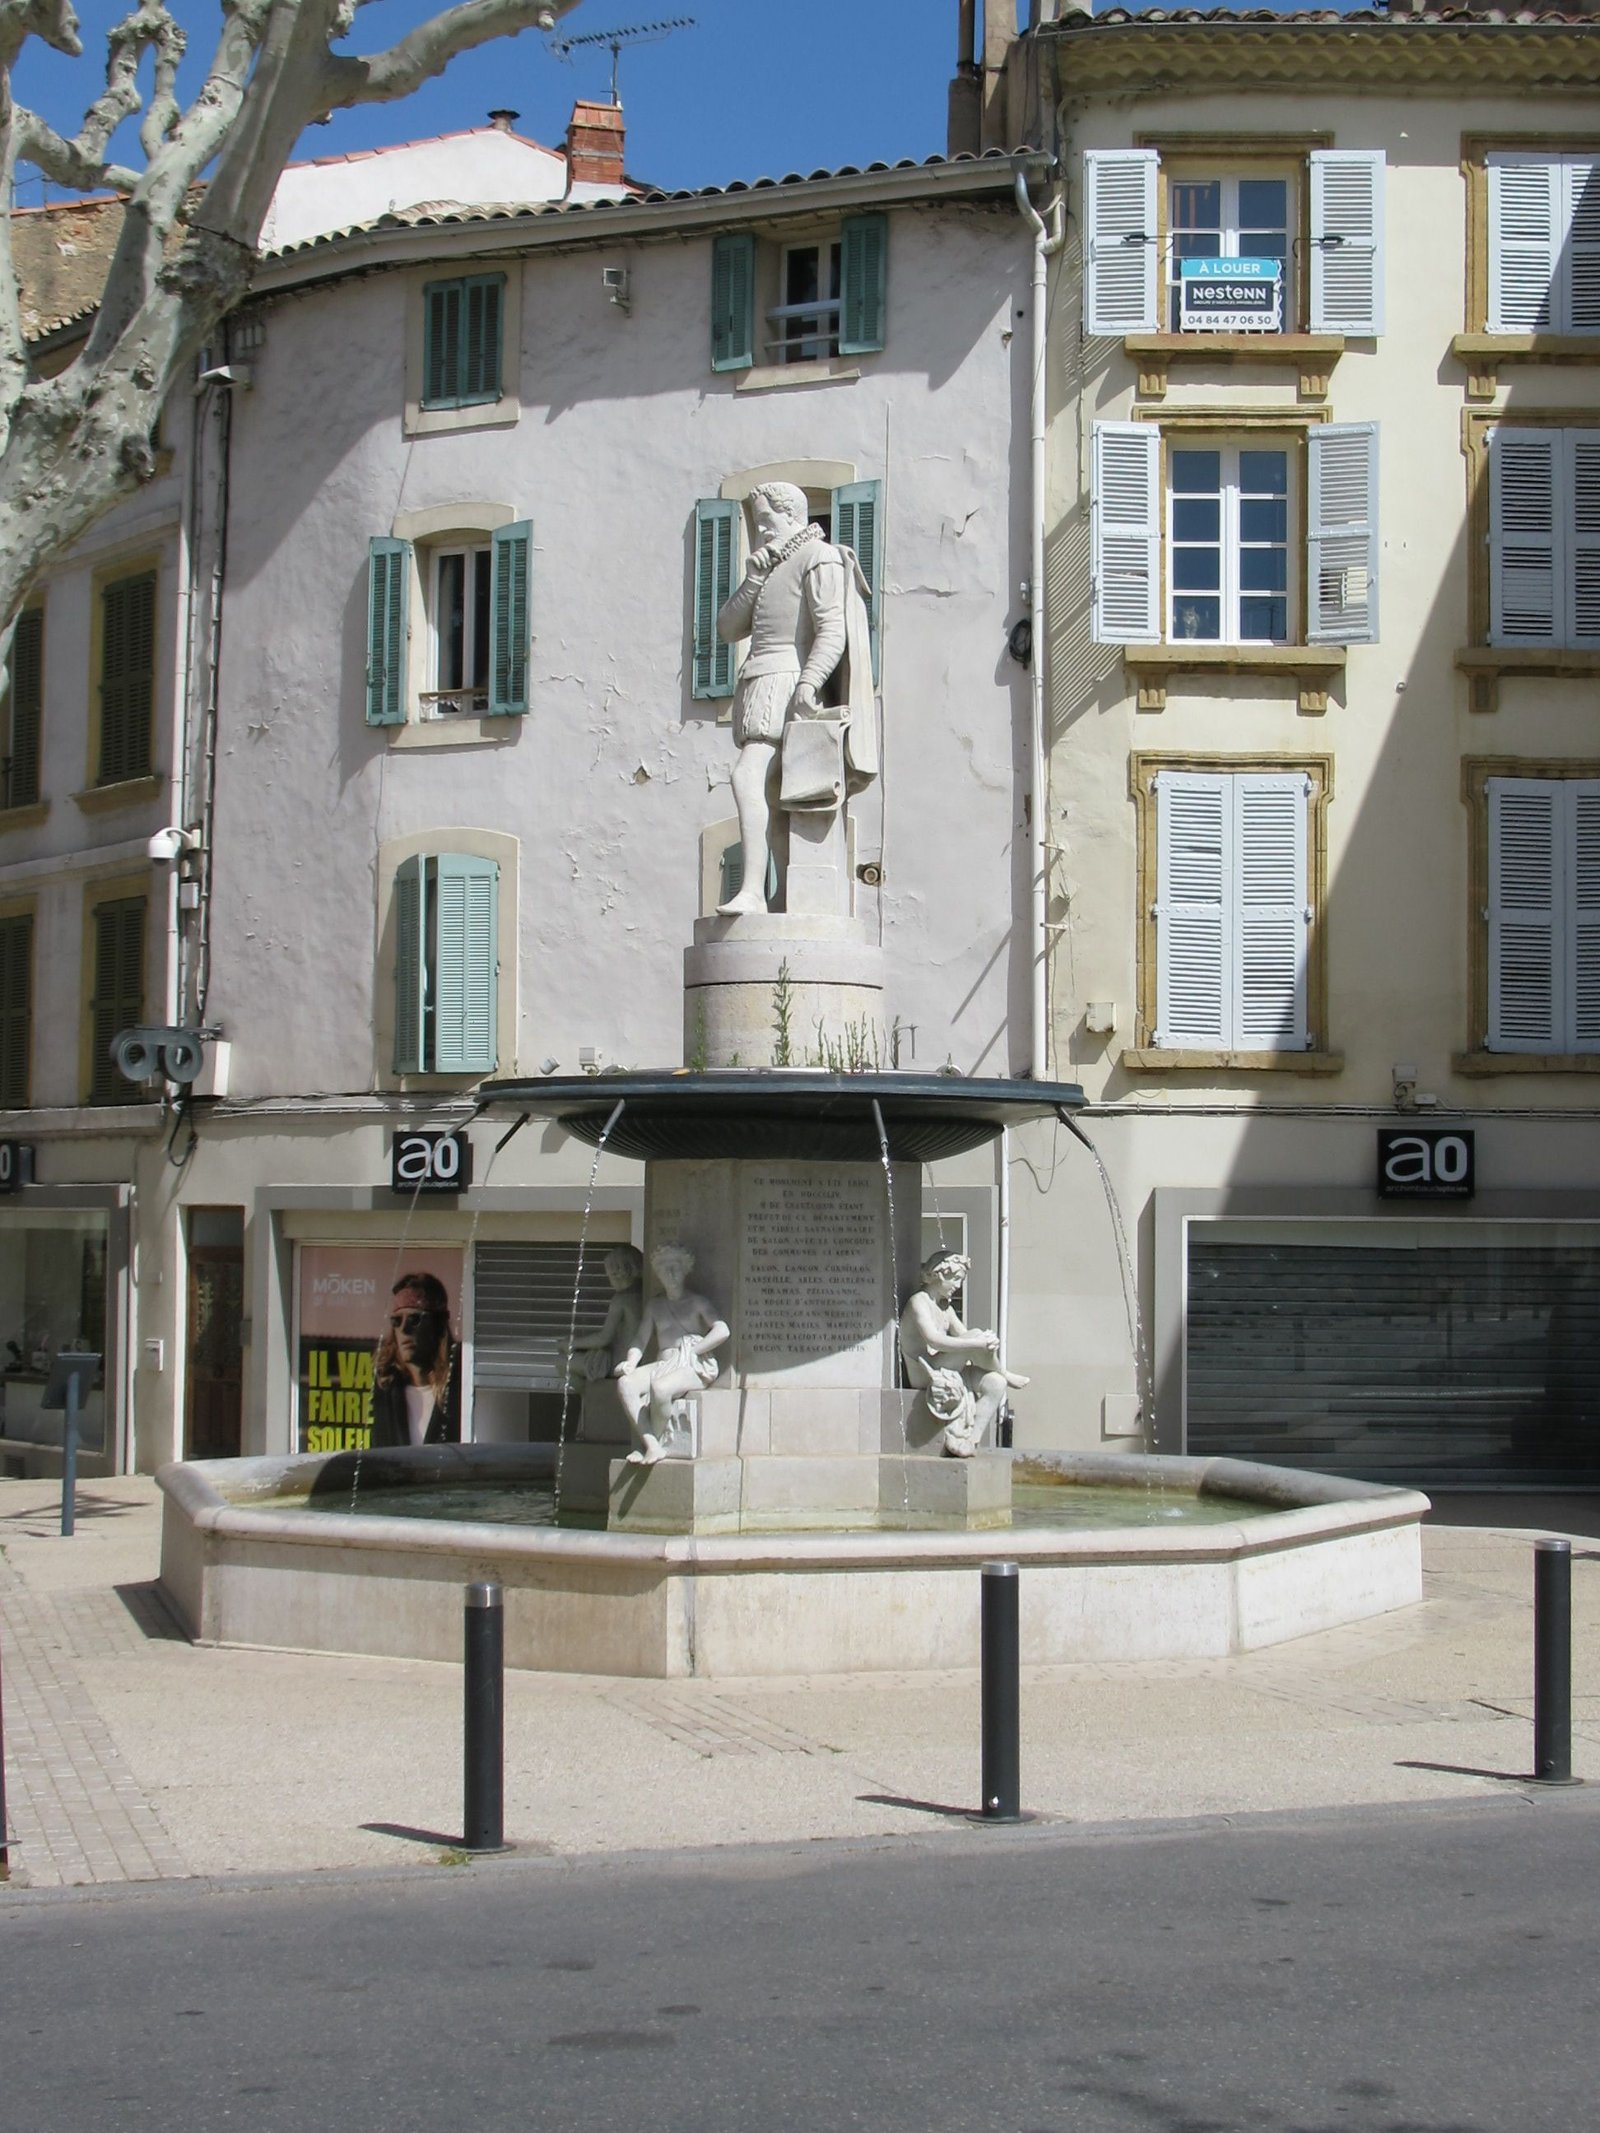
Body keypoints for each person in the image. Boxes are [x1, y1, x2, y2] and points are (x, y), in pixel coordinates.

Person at [714, 480, 877, 915]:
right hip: (759, 680)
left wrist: (809, 683)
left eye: (767, 522)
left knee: (746, 777)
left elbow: (831, 630)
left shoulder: (818, 557)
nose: (763, 531)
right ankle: (782, 897)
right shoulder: (770, 568)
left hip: (786, 679)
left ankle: (752, 890)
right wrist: (751, 579)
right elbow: (728, 629)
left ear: (791, 515)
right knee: (775, 799)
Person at [898, 1248, 1028, 1459]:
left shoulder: (944, 1307)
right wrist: (977, 1342)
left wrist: (986, 1342)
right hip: (924, 1371)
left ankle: (970, 1441)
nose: (957, 1286)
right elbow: (934, 1339)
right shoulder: (918, 1302)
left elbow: (963, 1335)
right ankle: (1005, 1371)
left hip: (942, 1364)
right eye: (955, 1279)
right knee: (976, 1338)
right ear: (938, 1275)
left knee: (995, 1383)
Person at [614, 1242, 730, 1466]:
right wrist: (630, 1361)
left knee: (660, 1388)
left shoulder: (697, 1302)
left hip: (692, 1365)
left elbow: (722, 1329)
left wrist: (695, 1350)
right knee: (625, 1384)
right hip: (663, 1362)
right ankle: (652, 1445)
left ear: (685, 1270)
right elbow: (640, 1339)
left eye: (675, 1267)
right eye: (664, 1269)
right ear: (657, 1274)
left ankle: (651, 1445)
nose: (670, 1273)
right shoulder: (655, 1305)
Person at [368, 1270, 461, 1448]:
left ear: (437, 1324)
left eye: (415, 1319)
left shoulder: (459, 1389)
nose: (404, 1330)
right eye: (397, 1321)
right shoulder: (386, 1390)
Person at [563, 1244, 645, 1386]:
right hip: (639, 1362)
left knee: (562, 1362)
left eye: (608, 1275)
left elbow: (604, 1338)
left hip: (618, 1362)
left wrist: (571, 1344)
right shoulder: (644, 1293)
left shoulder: (621, 1299)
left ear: (617, 1273)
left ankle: (589, 1398)